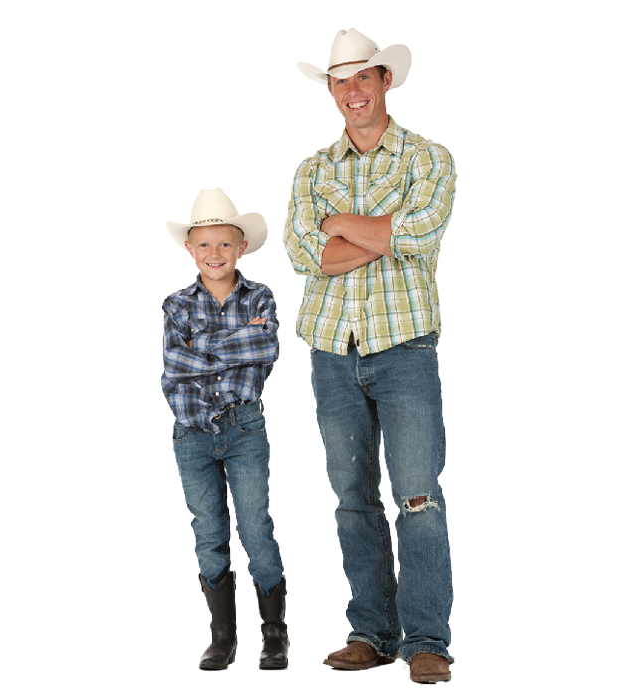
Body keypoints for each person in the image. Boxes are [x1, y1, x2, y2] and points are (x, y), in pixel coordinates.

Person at [283, 29, 457, 684]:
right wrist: (383, 235)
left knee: (417, 496)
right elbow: (306, 257)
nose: (353, 91)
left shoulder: (427, 158)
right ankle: (372, 633)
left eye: (365, 77)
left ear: (385, 82)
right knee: (352, 497)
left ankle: (426, 642)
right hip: (333, 348)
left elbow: (422, 231)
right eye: (341, 81)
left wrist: (341, 225)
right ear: (330, 91)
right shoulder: (311, 171)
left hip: (405, 344)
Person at [162, 187, 289, 671]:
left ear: (241, 248)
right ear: (190, 250)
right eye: (204, 245)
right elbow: (174, 362)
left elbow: (267, 349)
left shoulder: (261, 296)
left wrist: (205, 347)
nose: (214, 254)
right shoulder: (176, 305)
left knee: (256, 525)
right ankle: (222, 635)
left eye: (224, 244)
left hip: (244, 427)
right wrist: (240, 339)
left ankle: (274, 633)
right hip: (191, 432)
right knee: (208, 531)